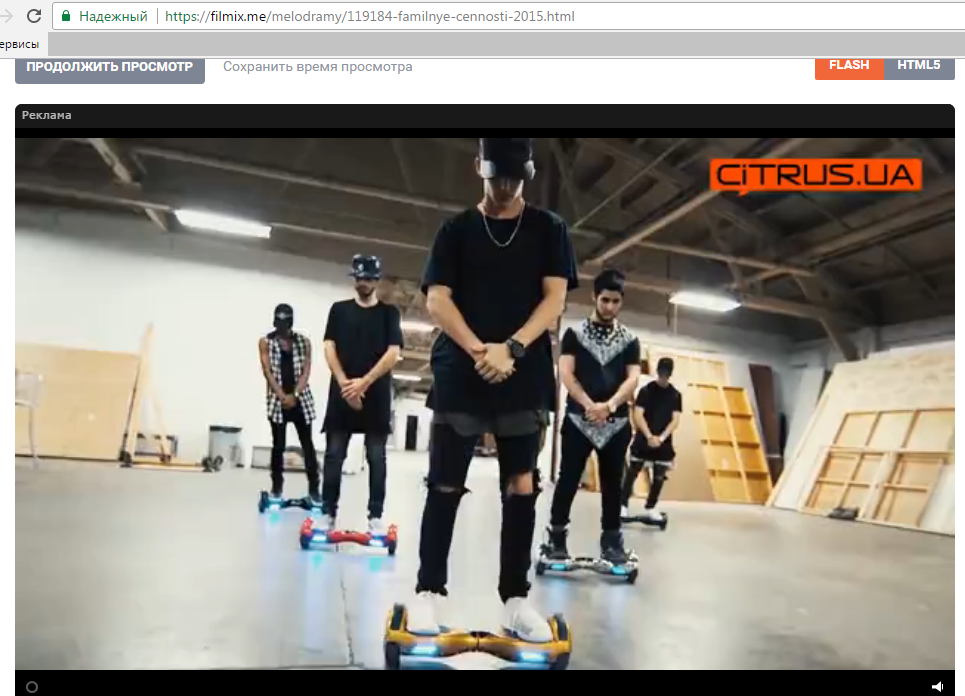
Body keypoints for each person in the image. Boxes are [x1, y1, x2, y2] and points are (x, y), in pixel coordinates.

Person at [406, 138, 578, 642]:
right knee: (444, 482)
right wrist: (481, 350)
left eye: (515, 178)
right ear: (478, 167)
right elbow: (438, 301)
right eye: (497, 175)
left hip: (523, 374)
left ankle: (515, 600)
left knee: (521, 485)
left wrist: (514, 349)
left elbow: (555, 299)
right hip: (462, 371)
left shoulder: (549, 229)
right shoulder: (455, 231)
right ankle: (429, 592)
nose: (506, 186)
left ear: (527, 173)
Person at [544, 269, 641, 565]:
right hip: (578, 419)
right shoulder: (574, 334)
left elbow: (633, 378)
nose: (609, 307)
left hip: (616, 422)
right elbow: (566, 373)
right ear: (594, 297)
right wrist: (589, 405)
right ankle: (556, 538)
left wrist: (609, 406)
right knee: (568, 480)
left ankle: (612, 542)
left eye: (615, 301)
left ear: (622, 301)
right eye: (604, 300)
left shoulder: (631, 340)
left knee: (613, 485)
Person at [318, 254, 404, 536]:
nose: (362, 282)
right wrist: (345, 384)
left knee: (377, 457)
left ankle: (375, 517)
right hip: (342, 393)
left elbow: (393, 352)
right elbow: (329, 346)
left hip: (375, 395)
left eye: (367, 278)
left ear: (377, 280)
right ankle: (327, 513)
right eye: (359, 277)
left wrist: (363, 384)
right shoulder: (339, 310)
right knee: (334, 455)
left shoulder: (389, 313)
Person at [258, 303, 320, 500]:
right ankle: (277, 487)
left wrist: (295, 395)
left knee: (307, 445)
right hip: (278, 401)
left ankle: (314, 489)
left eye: (285, 323)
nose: (282, 327)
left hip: (300, 399)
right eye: (279, 323)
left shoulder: (304, 342)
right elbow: (267, 371)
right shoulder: (265, 342)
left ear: (290, 322)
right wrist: (282, 396)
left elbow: (306, 371)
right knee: (278, 446)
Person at [621, 357, 682, 521]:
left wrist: (660, 438)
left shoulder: (675, 395)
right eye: (662, 372)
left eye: (666, 372)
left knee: (659, 476)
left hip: (663, 441)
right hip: (644, 438)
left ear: (670, 373)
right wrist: (649, 436)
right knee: (633, 471)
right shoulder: (646, 391)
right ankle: (622, 505)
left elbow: (675, 420)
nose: (664, 375)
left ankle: (651, 506)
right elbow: (638, 414)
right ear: (658, 371)